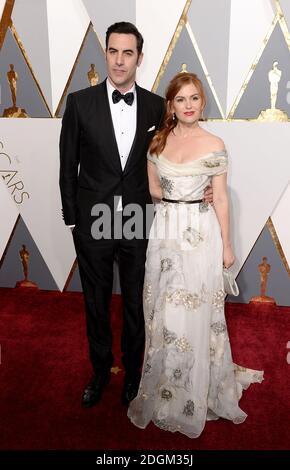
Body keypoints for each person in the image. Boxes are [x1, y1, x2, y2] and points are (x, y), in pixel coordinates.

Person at [59, 23, 213, 409]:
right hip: (93, 220)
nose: (119, 60)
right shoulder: (79, 103)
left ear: (139, 58)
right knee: (94, 301)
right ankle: (99, 370)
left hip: (138, 218)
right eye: (113, 51)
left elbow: (177, 149)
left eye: (128, 53)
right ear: (106, 53)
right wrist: (73, 220)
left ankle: (133, 374)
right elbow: (67, 165)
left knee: (134, 303)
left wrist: (200, 186)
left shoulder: (155, 106)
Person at [128, 72, 263, 438]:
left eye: (195, 98)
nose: (189, 105)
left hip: (202, 237)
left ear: (202, 103)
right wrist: (180, 197)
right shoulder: (157, 142)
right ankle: (167, 387)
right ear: (171, 105)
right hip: (166, 234)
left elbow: (219, 197)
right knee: (164, 309)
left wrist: (228, 244)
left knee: (198, 308)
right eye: (181, 99)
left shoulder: (215, 143)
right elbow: (155, 189)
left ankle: (198, 388)